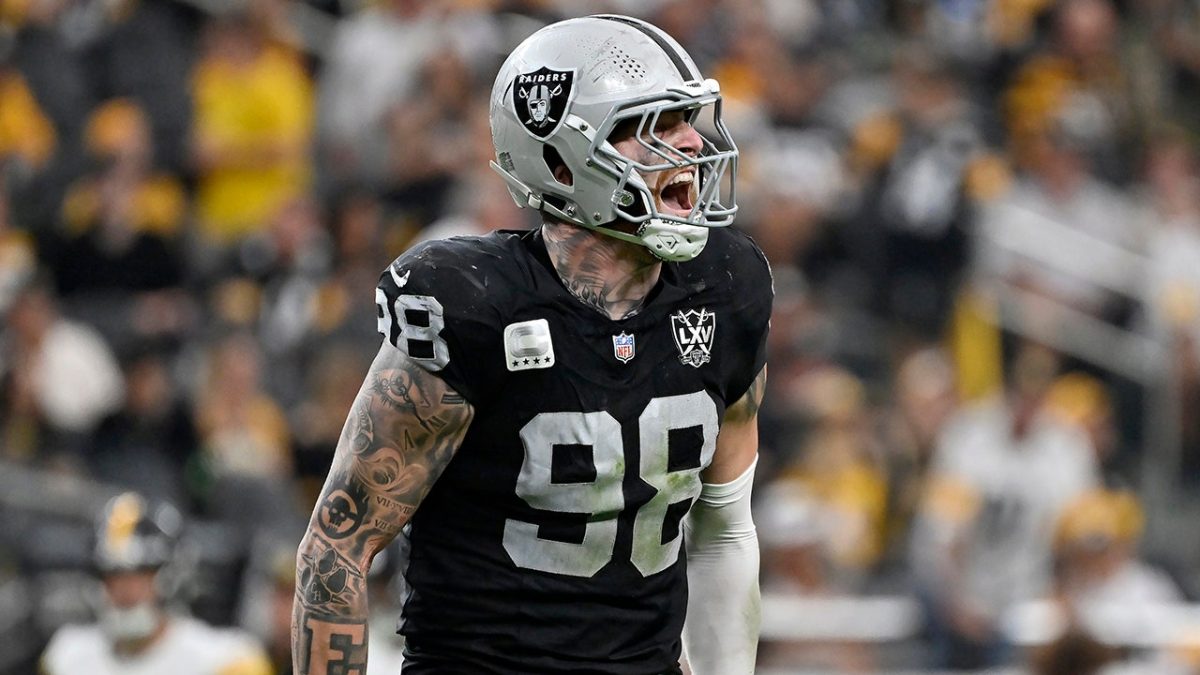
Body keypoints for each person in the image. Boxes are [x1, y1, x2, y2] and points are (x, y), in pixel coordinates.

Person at [292, 14, 772, 675]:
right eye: (652, 125)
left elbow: (723, 524)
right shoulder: (474, 305)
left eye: (686, 119)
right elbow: (336, 549)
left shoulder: (726, 286)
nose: (690, 143)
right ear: (560, 161)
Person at [40, 492, 272, 675]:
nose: (125, 590)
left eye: (140, 575)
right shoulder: (67, 658)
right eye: (113, 576)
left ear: (173, 577)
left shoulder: (226, 662)